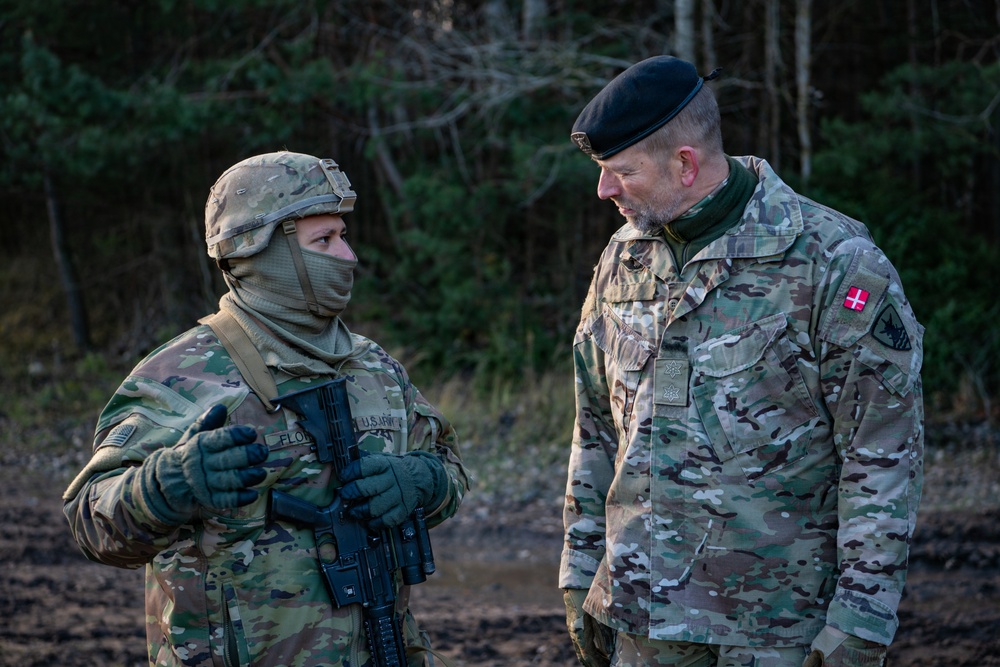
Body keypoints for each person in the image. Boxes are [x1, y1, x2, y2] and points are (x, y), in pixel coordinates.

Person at [560, 56, 924, 667]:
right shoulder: (623, 262)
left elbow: (881, 455)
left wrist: (860, 622)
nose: (603, 190)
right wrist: (580, 572)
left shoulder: (834, 262)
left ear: (684, 164)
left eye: (621, 172)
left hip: (775, 632)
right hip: (642, 622)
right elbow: (595, 426)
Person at [63, 151, 470, 667]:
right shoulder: (182, 374)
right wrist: (167, 486)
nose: (348, 257)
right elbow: (88, 521)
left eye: (344, 235)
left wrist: (423, 482)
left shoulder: (373, 367)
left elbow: (449, 469)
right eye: (324, 240)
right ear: (260, 252)